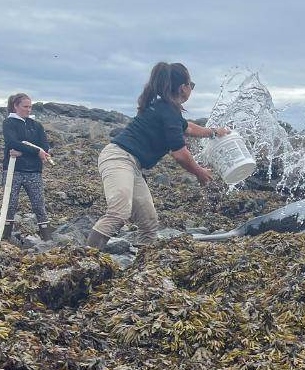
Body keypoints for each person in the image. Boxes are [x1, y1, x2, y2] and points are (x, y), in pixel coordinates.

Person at [86, 62, 230, 249]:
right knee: (119, 212)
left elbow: (189, 128)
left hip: (134, 165)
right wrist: (200, 172)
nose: (191, 90)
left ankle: (140, 262)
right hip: (118, 158)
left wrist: (213, 132)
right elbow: (179, 154)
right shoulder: (167, 110)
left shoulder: (168, 109)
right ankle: (86, 257)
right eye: (191, 85)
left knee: (148, 222)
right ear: (183, 88)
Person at [1, 93, 54, 241]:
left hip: (34, 172)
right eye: (25, 106)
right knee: (10, 205)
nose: (28, 110)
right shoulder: (9, 123)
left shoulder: (36, 125)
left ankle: (47, 240)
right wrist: (36, 151)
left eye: (30, 107)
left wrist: (25, 152)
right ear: (15, 106)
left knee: (39, 205)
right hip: (13, 170)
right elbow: (12, 143)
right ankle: (5, 238)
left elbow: (44, 147)